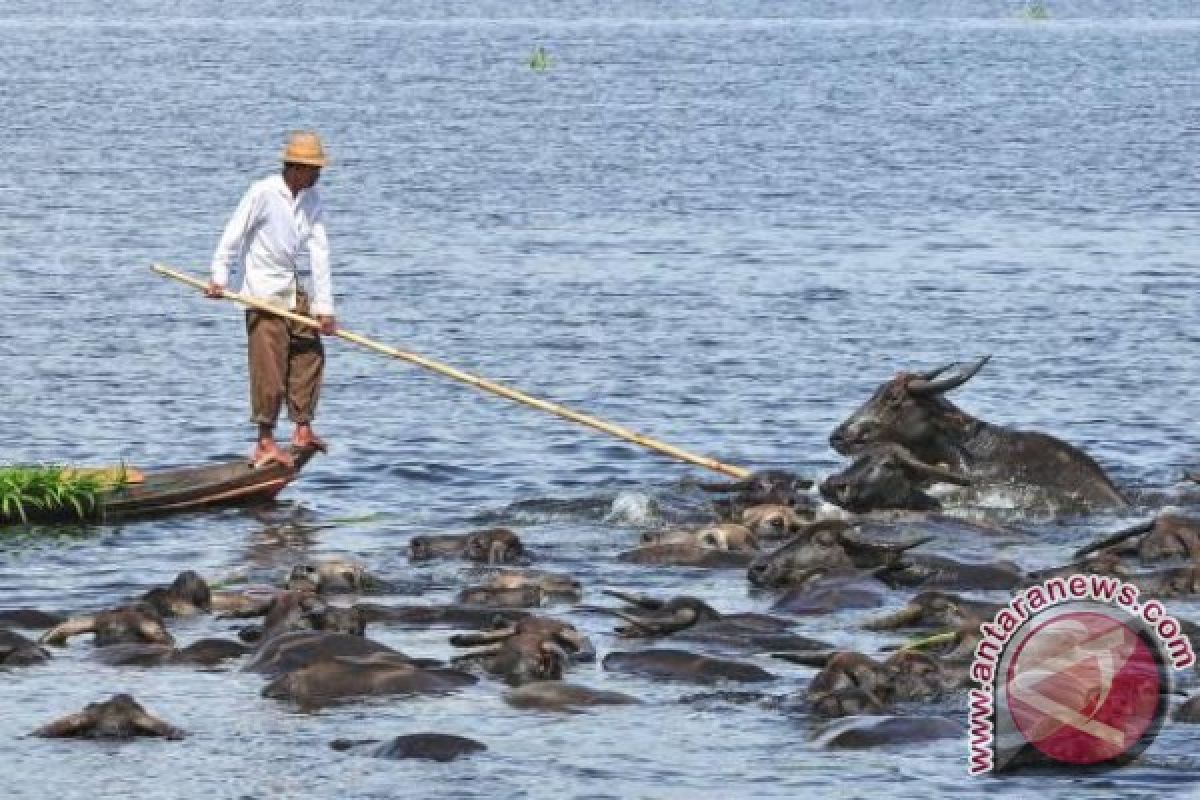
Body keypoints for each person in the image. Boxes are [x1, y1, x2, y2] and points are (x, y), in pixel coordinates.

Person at [206, 131, 337, 468]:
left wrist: (325, 309)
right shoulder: (263, 192)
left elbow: (320, 252)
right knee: (270, 369)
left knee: (310, 354)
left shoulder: (312, 199)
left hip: (293, 290)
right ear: (296, 168)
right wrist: (220, 278)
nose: (319, 174)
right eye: (314, 168)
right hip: (262, 293)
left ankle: (302, 429)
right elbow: (232, 235)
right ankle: (264, 442)